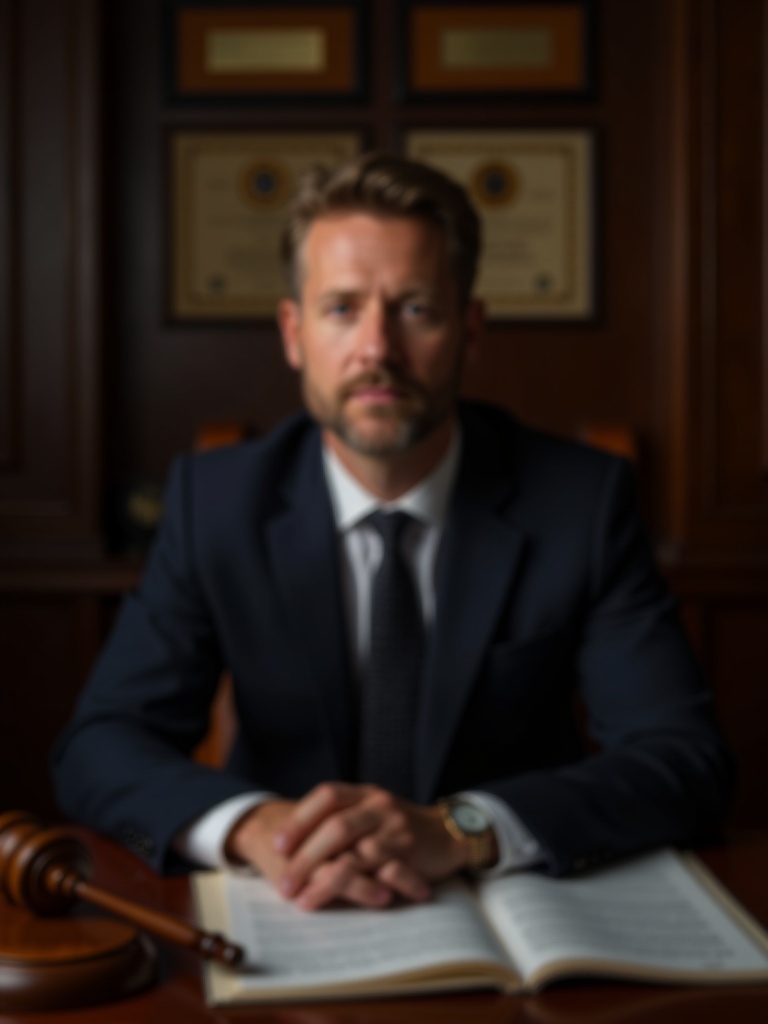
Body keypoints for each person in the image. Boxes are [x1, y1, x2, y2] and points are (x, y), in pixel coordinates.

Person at [52, 153, 732, 912]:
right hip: (296, 907)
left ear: (469, 330)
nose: (377, 348)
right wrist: (260, 829)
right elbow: (100, 745)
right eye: (342, 308)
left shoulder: (580, 501)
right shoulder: (215, 502)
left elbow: (684, 759)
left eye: (415, 308)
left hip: (513, 910)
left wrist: (463, 827)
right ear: (293, 332)